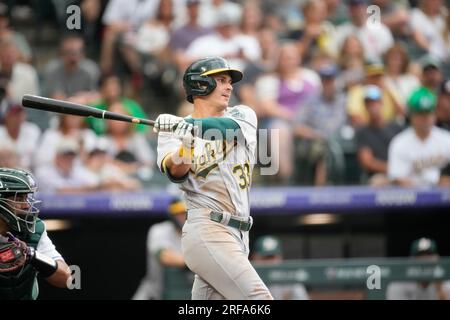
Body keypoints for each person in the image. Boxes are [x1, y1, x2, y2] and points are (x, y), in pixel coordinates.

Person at [154, 56, 273, 300]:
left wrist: (188, 125)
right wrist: (185, 144)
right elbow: (176, 173)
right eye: (221, 80)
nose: (229, 87)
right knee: (259, 301)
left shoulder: (243, 114)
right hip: (208, 230)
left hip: (240, 234)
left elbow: (222, 128)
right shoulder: (172, 133)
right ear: (200, 85)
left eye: (230, 81)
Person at [0, 167, 71, 300]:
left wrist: (32, 255)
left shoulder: (34, 228)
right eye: (19, 198)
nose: (26, 205)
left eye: (26, 197)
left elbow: (67, 278)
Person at [388, 87, 450, 187]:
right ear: (411, 116)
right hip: (411, 199)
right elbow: (398, 179)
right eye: (420, 114)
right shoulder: (399, 142)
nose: (425, 119)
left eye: (428, 113)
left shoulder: (447, 139)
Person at [132, 197, 188, 300]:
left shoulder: (199, 233)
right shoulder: (159, 230)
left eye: (185, 213)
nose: (182, 217)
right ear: (172, 214)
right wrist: (200, 261)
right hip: (155, 293)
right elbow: (166, 257)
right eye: (179, 213)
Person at [251, 235, 309, 300]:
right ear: (254, 258)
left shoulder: (290, 276)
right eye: (265, 258)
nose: (269, 262)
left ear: (280, 258)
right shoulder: (246, 278)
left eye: (272, 257)